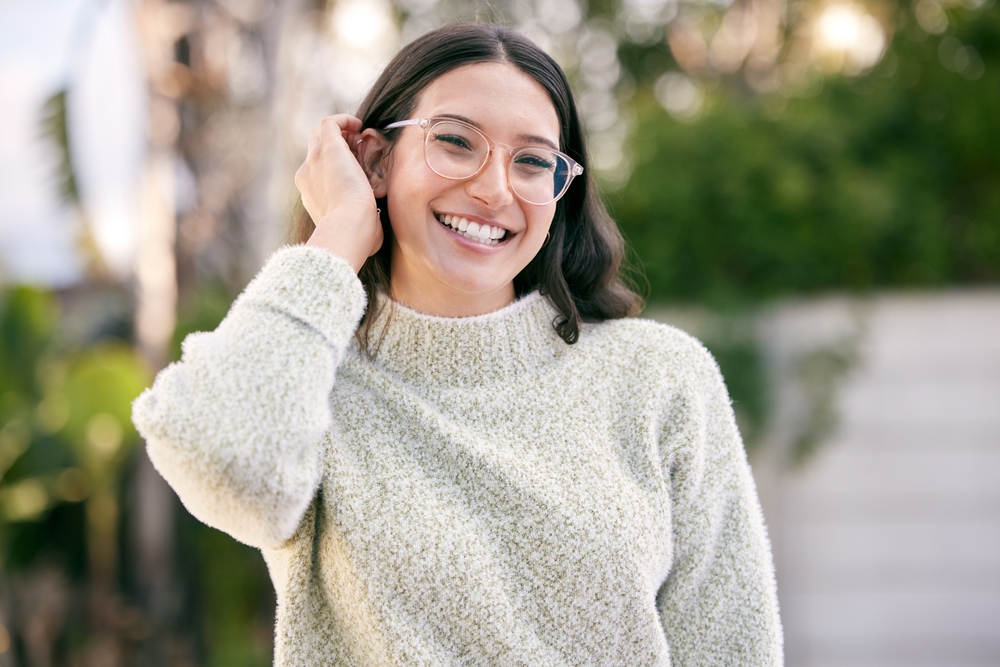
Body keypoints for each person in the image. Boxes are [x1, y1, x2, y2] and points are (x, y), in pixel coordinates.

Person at [132, 22, 783, 667]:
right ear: (377, 161)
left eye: (532, 160)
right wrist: (339, 231)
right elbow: (220, 455)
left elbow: (733, 647)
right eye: (455, 142)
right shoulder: (309, 383)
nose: (495, 189)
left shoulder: (658, 377)